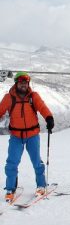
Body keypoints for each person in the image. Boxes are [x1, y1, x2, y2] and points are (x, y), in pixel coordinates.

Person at [0, 71, 54, 202]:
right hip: (16, 136)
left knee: (37, 162)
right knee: (11, 163)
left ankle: (41, 185)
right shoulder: (9, 97)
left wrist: (49, 118)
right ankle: (10, 188)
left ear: (28, 84)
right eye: (21, 82)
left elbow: (42, 107)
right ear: (17, 83)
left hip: (32, 135)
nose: (23, 84)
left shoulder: (33, 96)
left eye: (26, 82)